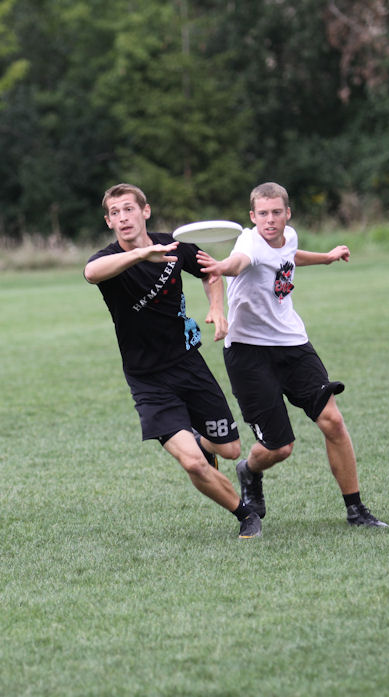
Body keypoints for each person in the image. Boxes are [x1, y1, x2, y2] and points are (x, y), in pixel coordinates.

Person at [196, 182, 388, 528]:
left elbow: (289, 256)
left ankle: (356, 510)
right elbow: (238, 264)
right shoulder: (249, 242)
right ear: (252, 216)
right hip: (248, 352)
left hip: (292, 343)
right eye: (263, 214)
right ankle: (249, 470)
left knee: (332, 420)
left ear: (288, 213)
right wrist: (220, 266)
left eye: (276, 212)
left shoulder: (290, 236)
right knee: (279, 448)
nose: (270, 220)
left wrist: (325, 258)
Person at [84, 182, 262, 539]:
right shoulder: (109, 259)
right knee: (193, 464)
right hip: (147, 379)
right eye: (115, 213)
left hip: (188, 365)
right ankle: (246, 515)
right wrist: (140, 256)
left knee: (230, 450)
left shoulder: (175, 246)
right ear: (109, 222)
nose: (123, 218)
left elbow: (211, 271)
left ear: (145, 211)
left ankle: (199, 440)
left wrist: (216, 307)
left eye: (129, 209)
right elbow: (92, 273)